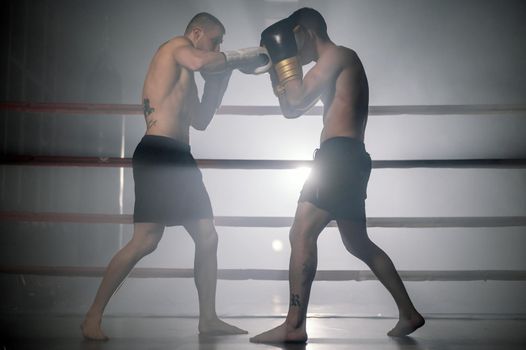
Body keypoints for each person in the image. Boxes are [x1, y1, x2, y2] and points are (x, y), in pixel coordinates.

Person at [81, 12, 269, 340]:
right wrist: (240, 57)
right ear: (196, 33)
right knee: (146, 241)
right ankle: (92, 316)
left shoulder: (189, 74)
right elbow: (199, 61)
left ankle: (208, 318)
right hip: (158, 152)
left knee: (207, 237)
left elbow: (201, 120)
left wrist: (221, 80)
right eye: (215, 40)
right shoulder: (175, 47)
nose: (219, 46)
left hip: (180, 157)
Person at [250, 8, 424, 343]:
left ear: (304, 32)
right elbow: (291, 110)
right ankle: (409, 312)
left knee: (300, 232)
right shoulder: (331, 64)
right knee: (357, 242)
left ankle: (294, 325)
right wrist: (276, 68)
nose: (294, 51)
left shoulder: (338, 55)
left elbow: (297, 97)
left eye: (293, 41)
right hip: (348, 158)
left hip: (339, 158)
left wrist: (282, 61)